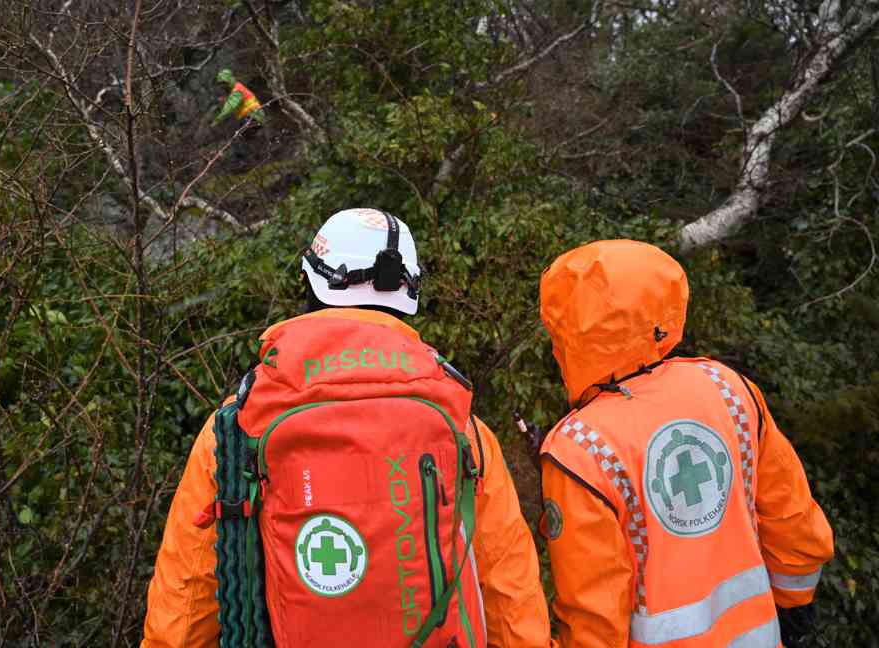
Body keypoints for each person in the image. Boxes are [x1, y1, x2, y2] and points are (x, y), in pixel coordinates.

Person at [142, 208, 550, 647]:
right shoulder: (461, 426)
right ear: (408, 296)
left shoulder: (237, 424)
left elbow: (184, 607)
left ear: (311, 283)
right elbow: (511, 596)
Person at [535, 239, 833, 647]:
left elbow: (594, 619)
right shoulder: (727, 388)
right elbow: (793, 521)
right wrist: (796, 604)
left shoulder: (577, 450)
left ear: (565, 331)